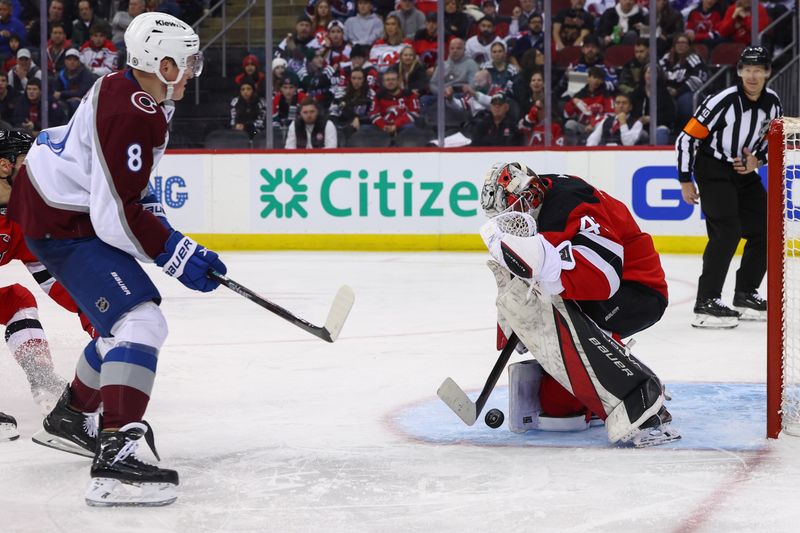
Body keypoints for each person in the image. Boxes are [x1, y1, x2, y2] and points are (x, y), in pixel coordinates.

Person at [8, 12, 224, 507]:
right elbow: (113, 214)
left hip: (55, 205)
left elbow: (130, 187)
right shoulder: (134, 111)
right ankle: (118, 456)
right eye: (186, 61)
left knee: (119, 326)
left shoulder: (139, 94)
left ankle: (71, 415)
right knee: (141, 322)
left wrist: (169, 236)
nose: (192, 69)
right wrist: (174, 253)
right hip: (61, 220)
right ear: (161, 61)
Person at [478, 162, 678, 447]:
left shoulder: (572, 202)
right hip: (606, 293)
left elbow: (605, 275)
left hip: (638, 291)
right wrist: (516, 326)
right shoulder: (538, 199)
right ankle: (619, 377)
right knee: (558, 410)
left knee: (553, 306)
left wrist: (543, 274)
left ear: (530, 195)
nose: (511, 222)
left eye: (513, 212)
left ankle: (634, 392)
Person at [675, 46, 782, 328]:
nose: (752, 75)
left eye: (758, 69)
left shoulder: (772, 103)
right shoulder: (722, 100)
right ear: (739, 72)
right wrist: (685, 180)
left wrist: (757, 162)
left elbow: (773, 143)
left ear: (768, 73)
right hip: (713, 168)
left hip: (742, 171)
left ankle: (745, 293)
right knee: (728, 231)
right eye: (747, 69)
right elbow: (687, 139)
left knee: (767, 229)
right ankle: (707, 301)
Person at [0, 130, 97, 441]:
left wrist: (99, 316)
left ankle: (41, 377)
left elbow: (58, 281)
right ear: (4, 166)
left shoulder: (22, 218)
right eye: (28, 163)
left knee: (17, 299)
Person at [54, 48, 96, 116]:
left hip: (84, 103)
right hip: (66, 100)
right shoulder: (61, 74)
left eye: (75, 60)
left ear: (79, 62)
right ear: (65, 61)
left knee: (74, 103)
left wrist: (62, 94)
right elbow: (56, 92)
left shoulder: (86, 74)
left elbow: (81, 93)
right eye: (69, 59)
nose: (72, 62)